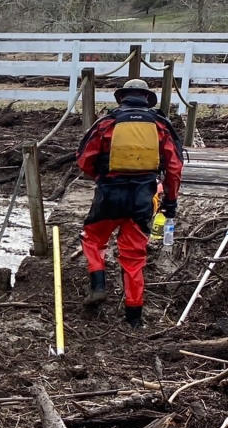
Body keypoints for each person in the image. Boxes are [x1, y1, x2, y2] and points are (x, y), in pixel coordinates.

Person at [76, 78, 184, 328]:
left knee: (92, 238)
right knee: (134, 258)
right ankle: (134, 318)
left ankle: (98, 284)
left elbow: (84, 160)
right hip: (143, 198)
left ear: (122, 97)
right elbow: (175, 168)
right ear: (147, 98)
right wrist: (170, 201)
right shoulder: (160, 125)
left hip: (109, 195)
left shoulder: (107, 123)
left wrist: (102, 177)